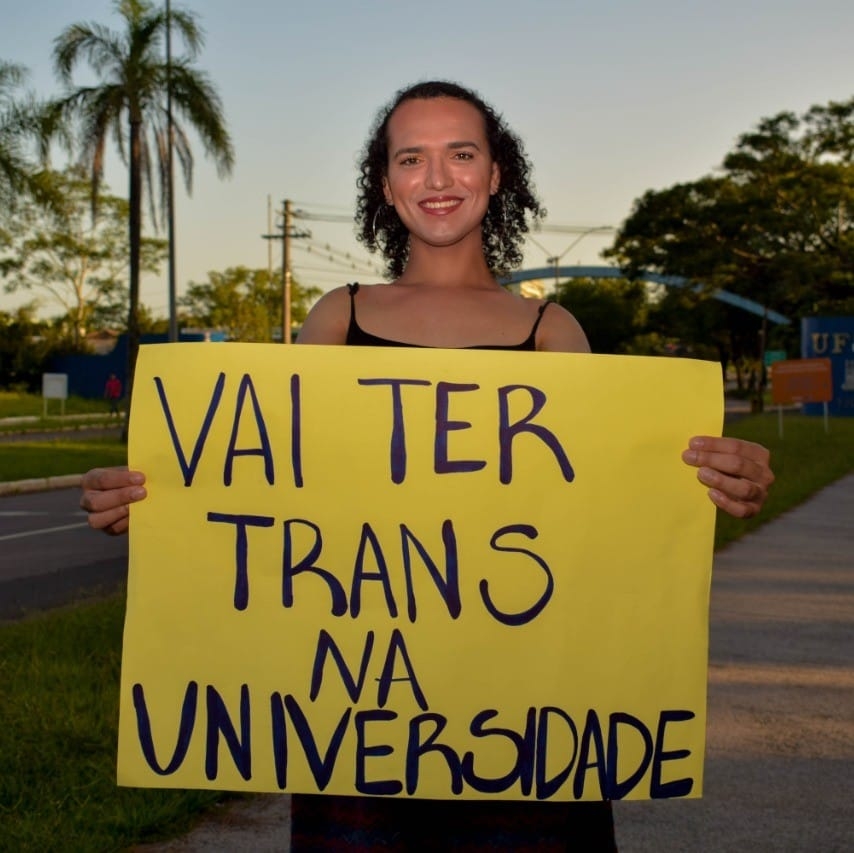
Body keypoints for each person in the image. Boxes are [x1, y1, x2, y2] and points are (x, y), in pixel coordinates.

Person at [80, 80, 774, 851]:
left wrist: (711, 478)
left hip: (527, 728)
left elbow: (596, 510)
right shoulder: (338, 317)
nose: (437, 178)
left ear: (496, 173)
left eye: (461, 154)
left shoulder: (553, 330)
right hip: (363, 731)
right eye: (411, 158)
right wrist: (160, 497)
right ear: (385, 184)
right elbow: (277, 491)